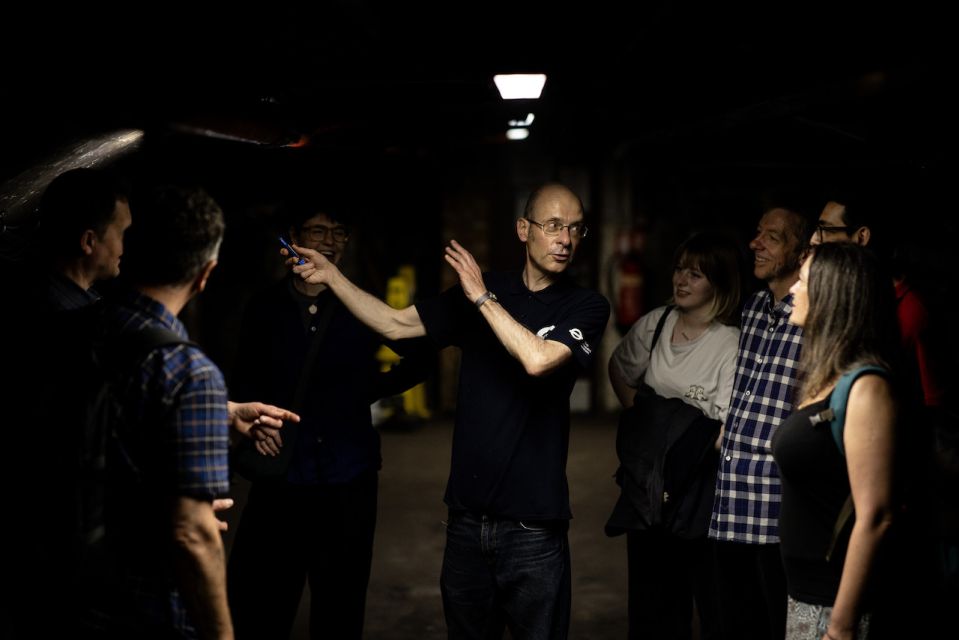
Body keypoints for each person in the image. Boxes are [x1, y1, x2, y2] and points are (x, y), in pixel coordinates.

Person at [288, 183, 610, 639]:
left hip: (533, 528)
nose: (565, 239)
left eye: (576, 229)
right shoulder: (488, 289)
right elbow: (395, 325)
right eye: (553, 225)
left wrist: (481, 297)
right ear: (524, 229)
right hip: (466, 523)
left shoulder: (586, 305)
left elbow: (538, 359)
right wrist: (332, 277)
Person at [227, 198, 429, 639]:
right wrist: (256, 422)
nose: (330, 243)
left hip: (347, 479)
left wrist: (368, 389)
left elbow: (420, 359)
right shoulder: (264, 308)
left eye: (338, 233)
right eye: (319, 232)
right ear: (294, 240)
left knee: (340, 607)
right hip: (282, 479)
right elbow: (243, 378)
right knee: (261, 605)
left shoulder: (360, 307)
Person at [608, 231, 742, 639]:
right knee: (651, 606)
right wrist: (647, 425)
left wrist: (679, 445)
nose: (681, 280)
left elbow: (724, 427)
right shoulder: (656, 323)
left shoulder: (729, 344)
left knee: (707, 599)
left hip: (698, 493)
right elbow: (620, 369)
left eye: (696, 274)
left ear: (718, 283)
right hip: (646, 485)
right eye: (680, 270)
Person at [772, 242, 899, 640]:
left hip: (837, 604)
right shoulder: (825, 376)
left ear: (833, 294)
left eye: (804, 281)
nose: (793, 288)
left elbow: (876, 516)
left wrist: (841, 627)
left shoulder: (866, 387)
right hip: (806, 593)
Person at [709, 198, 812, 640]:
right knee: (736, 620)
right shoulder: (753, 309)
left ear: (801, 252)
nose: (756, 244)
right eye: (758, 233)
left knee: (776, 622)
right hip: (730, 497)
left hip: (775, 504)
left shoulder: (814, 316)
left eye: (772, 237)